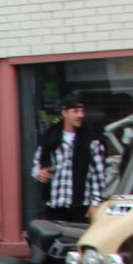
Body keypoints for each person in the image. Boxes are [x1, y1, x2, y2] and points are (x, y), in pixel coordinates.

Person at [34, 93, 110, 221]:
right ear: (65, 113)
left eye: (82, 111)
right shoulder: (51, 137)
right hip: (55, 204)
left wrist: (96, 203)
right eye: (75, 111)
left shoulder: (92, 141)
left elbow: (98, 176)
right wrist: (39, 173)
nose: (80, 115)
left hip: (81, 206)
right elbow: (37, 163)